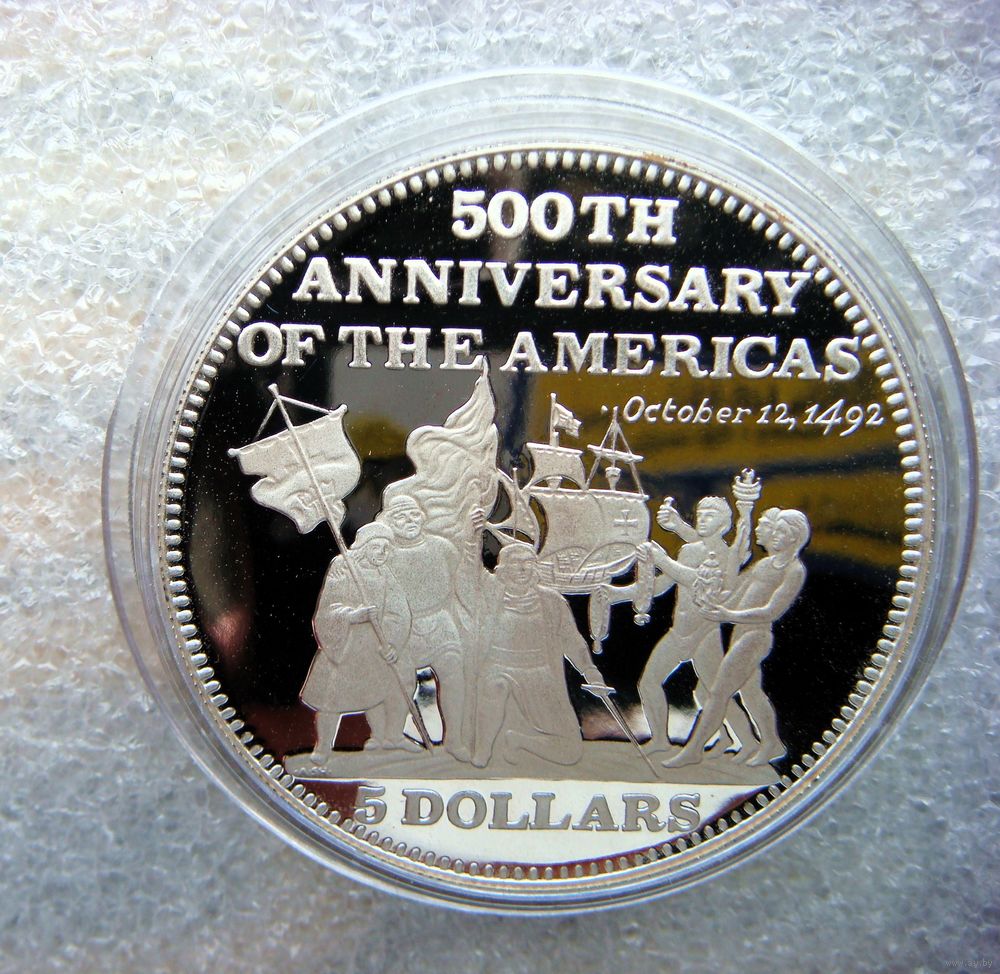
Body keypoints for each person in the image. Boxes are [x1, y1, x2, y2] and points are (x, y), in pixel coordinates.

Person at [605, 494, 758, 754]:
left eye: (710, 515)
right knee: (650, 683)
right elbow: (662, 585)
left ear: (724, 525)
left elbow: (698, 580)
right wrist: (618, 594)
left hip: (704, 634)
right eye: (701, 514)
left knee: (714, 693)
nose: (703, 519)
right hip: (680, 632)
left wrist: (662, 558)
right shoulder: (689, 551)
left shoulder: (725, 555)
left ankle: (750, 742)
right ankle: (660, 741)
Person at [664, 508, 810, 768]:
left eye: (783, 532)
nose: (775, 536)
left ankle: (693, 749)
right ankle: (772, 743)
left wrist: (728, 613)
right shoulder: (764, 565)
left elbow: (772, 611)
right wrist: (712, 604)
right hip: (740, 634)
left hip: (756, 637)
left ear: (795, 537)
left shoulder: (794, 570)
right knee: (752, 694)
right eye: (776, 530)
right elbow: (735, 592)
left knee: (718, 692)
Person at [471, 544, 604, 769]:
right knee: (495, 686)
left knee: (570, 751)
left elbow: (572, 640)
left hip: (539, 672)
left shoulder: (552, 601)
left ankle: (519, 741)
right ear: (503, 569)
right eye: (516, 563)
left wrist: (590, 670)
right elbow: (470, 568)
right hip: (498, 667)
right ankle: (483, 749)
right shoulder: (487, 598)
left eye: (528, 562)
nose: (523, 568)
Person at [302, 522, 416, 762]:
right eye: (377, 547)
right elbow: (328, 607)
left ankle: (388, 738)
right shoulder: (343, 567)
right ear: (364, 547)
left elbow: (399, 612)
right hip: (345, 646)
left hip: (375, 645)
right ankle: (323, 748)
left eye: (386, 548)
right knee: (331, 699)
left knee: (387, 686)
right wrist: (352, 616)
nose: (382, 553)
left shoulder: (385, 573)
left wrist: (392, 643)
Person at [378, 494, 476, 760]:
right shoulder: (384, 554)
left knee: (453, 674)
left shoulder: (442, 547)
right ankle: (391, 737)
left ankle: (454, 740)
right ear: (388, 522)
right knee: (402, 681)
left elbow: (463, 580)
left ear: (422, 517)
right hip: (402, 627)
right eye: (400, 517)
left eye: (413, 515)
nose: (409, 521)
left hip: (440, 622)